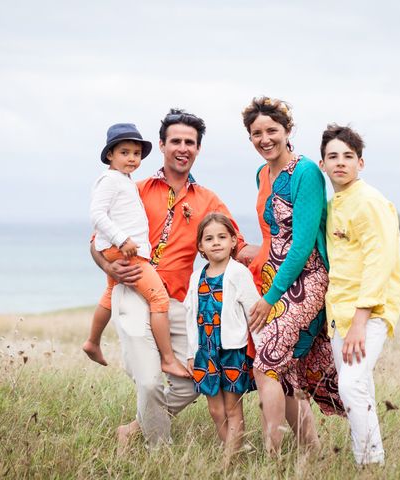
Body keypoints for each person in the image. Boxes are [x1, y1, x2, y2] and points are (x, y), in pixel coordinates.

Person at [90, 109, 254, 447]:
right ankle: (160, 455)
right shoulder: (134, 189)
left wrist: (283, 251)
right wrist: (108, 268)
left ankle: (134, 430)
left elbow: (237, 245)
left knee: (198, 376)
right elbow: (96, 241)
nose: (183, 147)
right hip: (133, 292)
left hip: (177, 303)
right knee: (149, 383)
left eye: (190, 142)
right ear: (162, 145)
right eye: (176, 141)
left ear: (198, 149)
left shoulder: (208, 200)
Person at [241, 96, 344, 455]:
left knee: (266, 362)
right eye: (256, 133)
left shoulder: (305, 173)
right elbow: (274, 236)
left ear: (288, 131)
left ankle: (273, 448)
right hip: (275, 277)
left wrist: (271, 298)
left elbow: (301, 245)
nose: (265, 138)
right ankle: (313, 452)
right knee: (286, 374)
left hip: (309, 278)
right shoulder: (261, 174)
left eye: (272, 130)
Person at [319, 124, 400, 465]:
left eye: (348, 156)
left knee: (350, 385)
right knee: (360, 386)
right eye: (332, 156)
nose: (340, 163)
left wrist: (360, 320)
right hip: (339, 312)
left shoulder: (370, 202)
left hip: (367, 312)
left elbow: (379, 262)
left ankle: (369, 461)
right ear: (322, 164)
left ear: (361, 163)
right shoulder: (336, 203)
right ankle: (369, 460)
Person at [85, 123, 189, 378]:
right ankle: (168, 359)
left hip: (121, 251)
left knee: (110, 293)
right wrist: (122, 240)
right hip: (125, 252)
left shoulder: (124, 180)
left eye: (136, 153)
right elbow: (97, 215)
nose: (132, 158)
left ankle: (92, 342)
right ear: (110, 154)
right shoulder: (110, 180)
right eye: (124, 152)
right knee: (159, 299)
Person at [184, 213, 260, 460]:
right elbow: (189, 316)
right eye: (209, 238)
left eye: (222, 237)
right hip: (205, 352)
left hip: (232, 351)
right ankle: (235, 451)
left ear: (233, 242)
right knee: (216, 410)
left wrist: (260, 353)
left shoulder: (238, 273)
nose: (216, 242)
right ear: (200, 246)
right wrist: (189, 354)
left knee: (232, 408)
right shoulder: (197, 277)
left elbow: (254, 313)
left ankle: (229, 461)